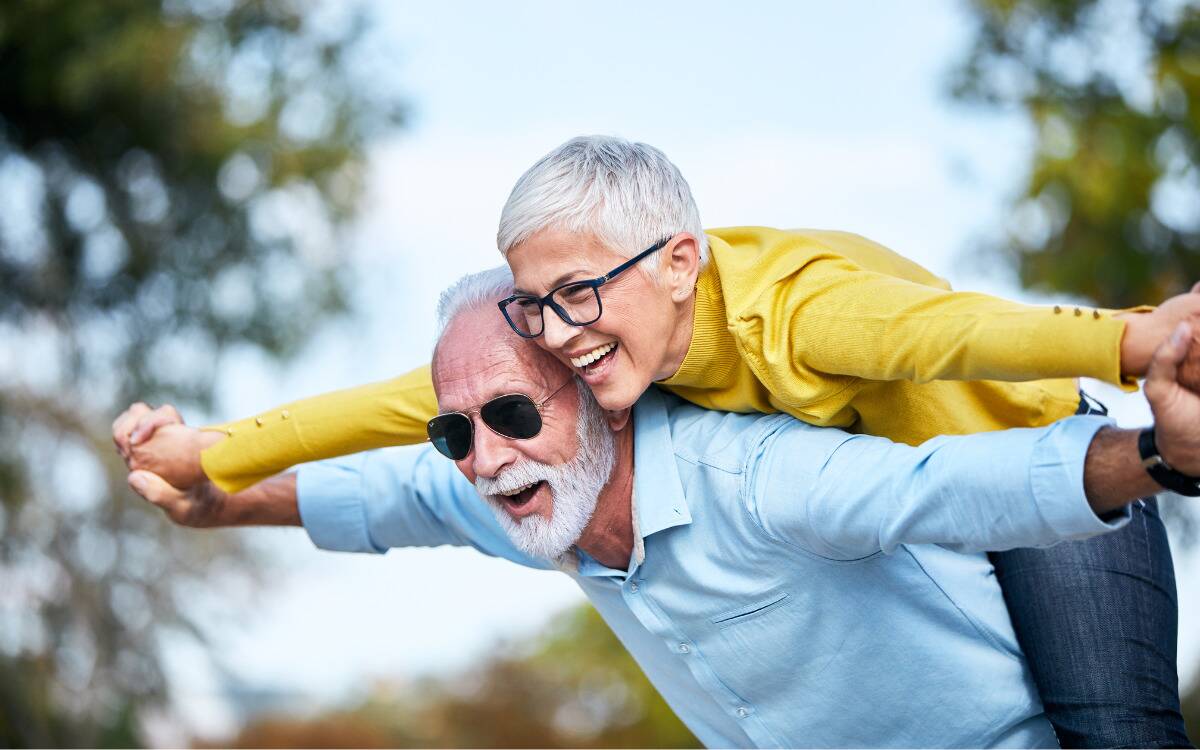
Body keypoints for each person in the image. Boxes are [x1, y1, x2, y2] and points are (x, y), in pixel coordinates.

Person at [122, 136, 1200, 746]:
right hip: (945, 503)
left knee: (1115, 731)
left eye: (579, 293)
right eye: (538, 306)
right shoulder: (536, 434)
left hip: (1047, 475)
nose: (559, 330)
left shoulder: (790, 339)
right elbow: (383, 438)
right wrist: (215, 461)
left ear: (680, 262)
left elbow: (955, 347)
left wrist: (1137, 348)